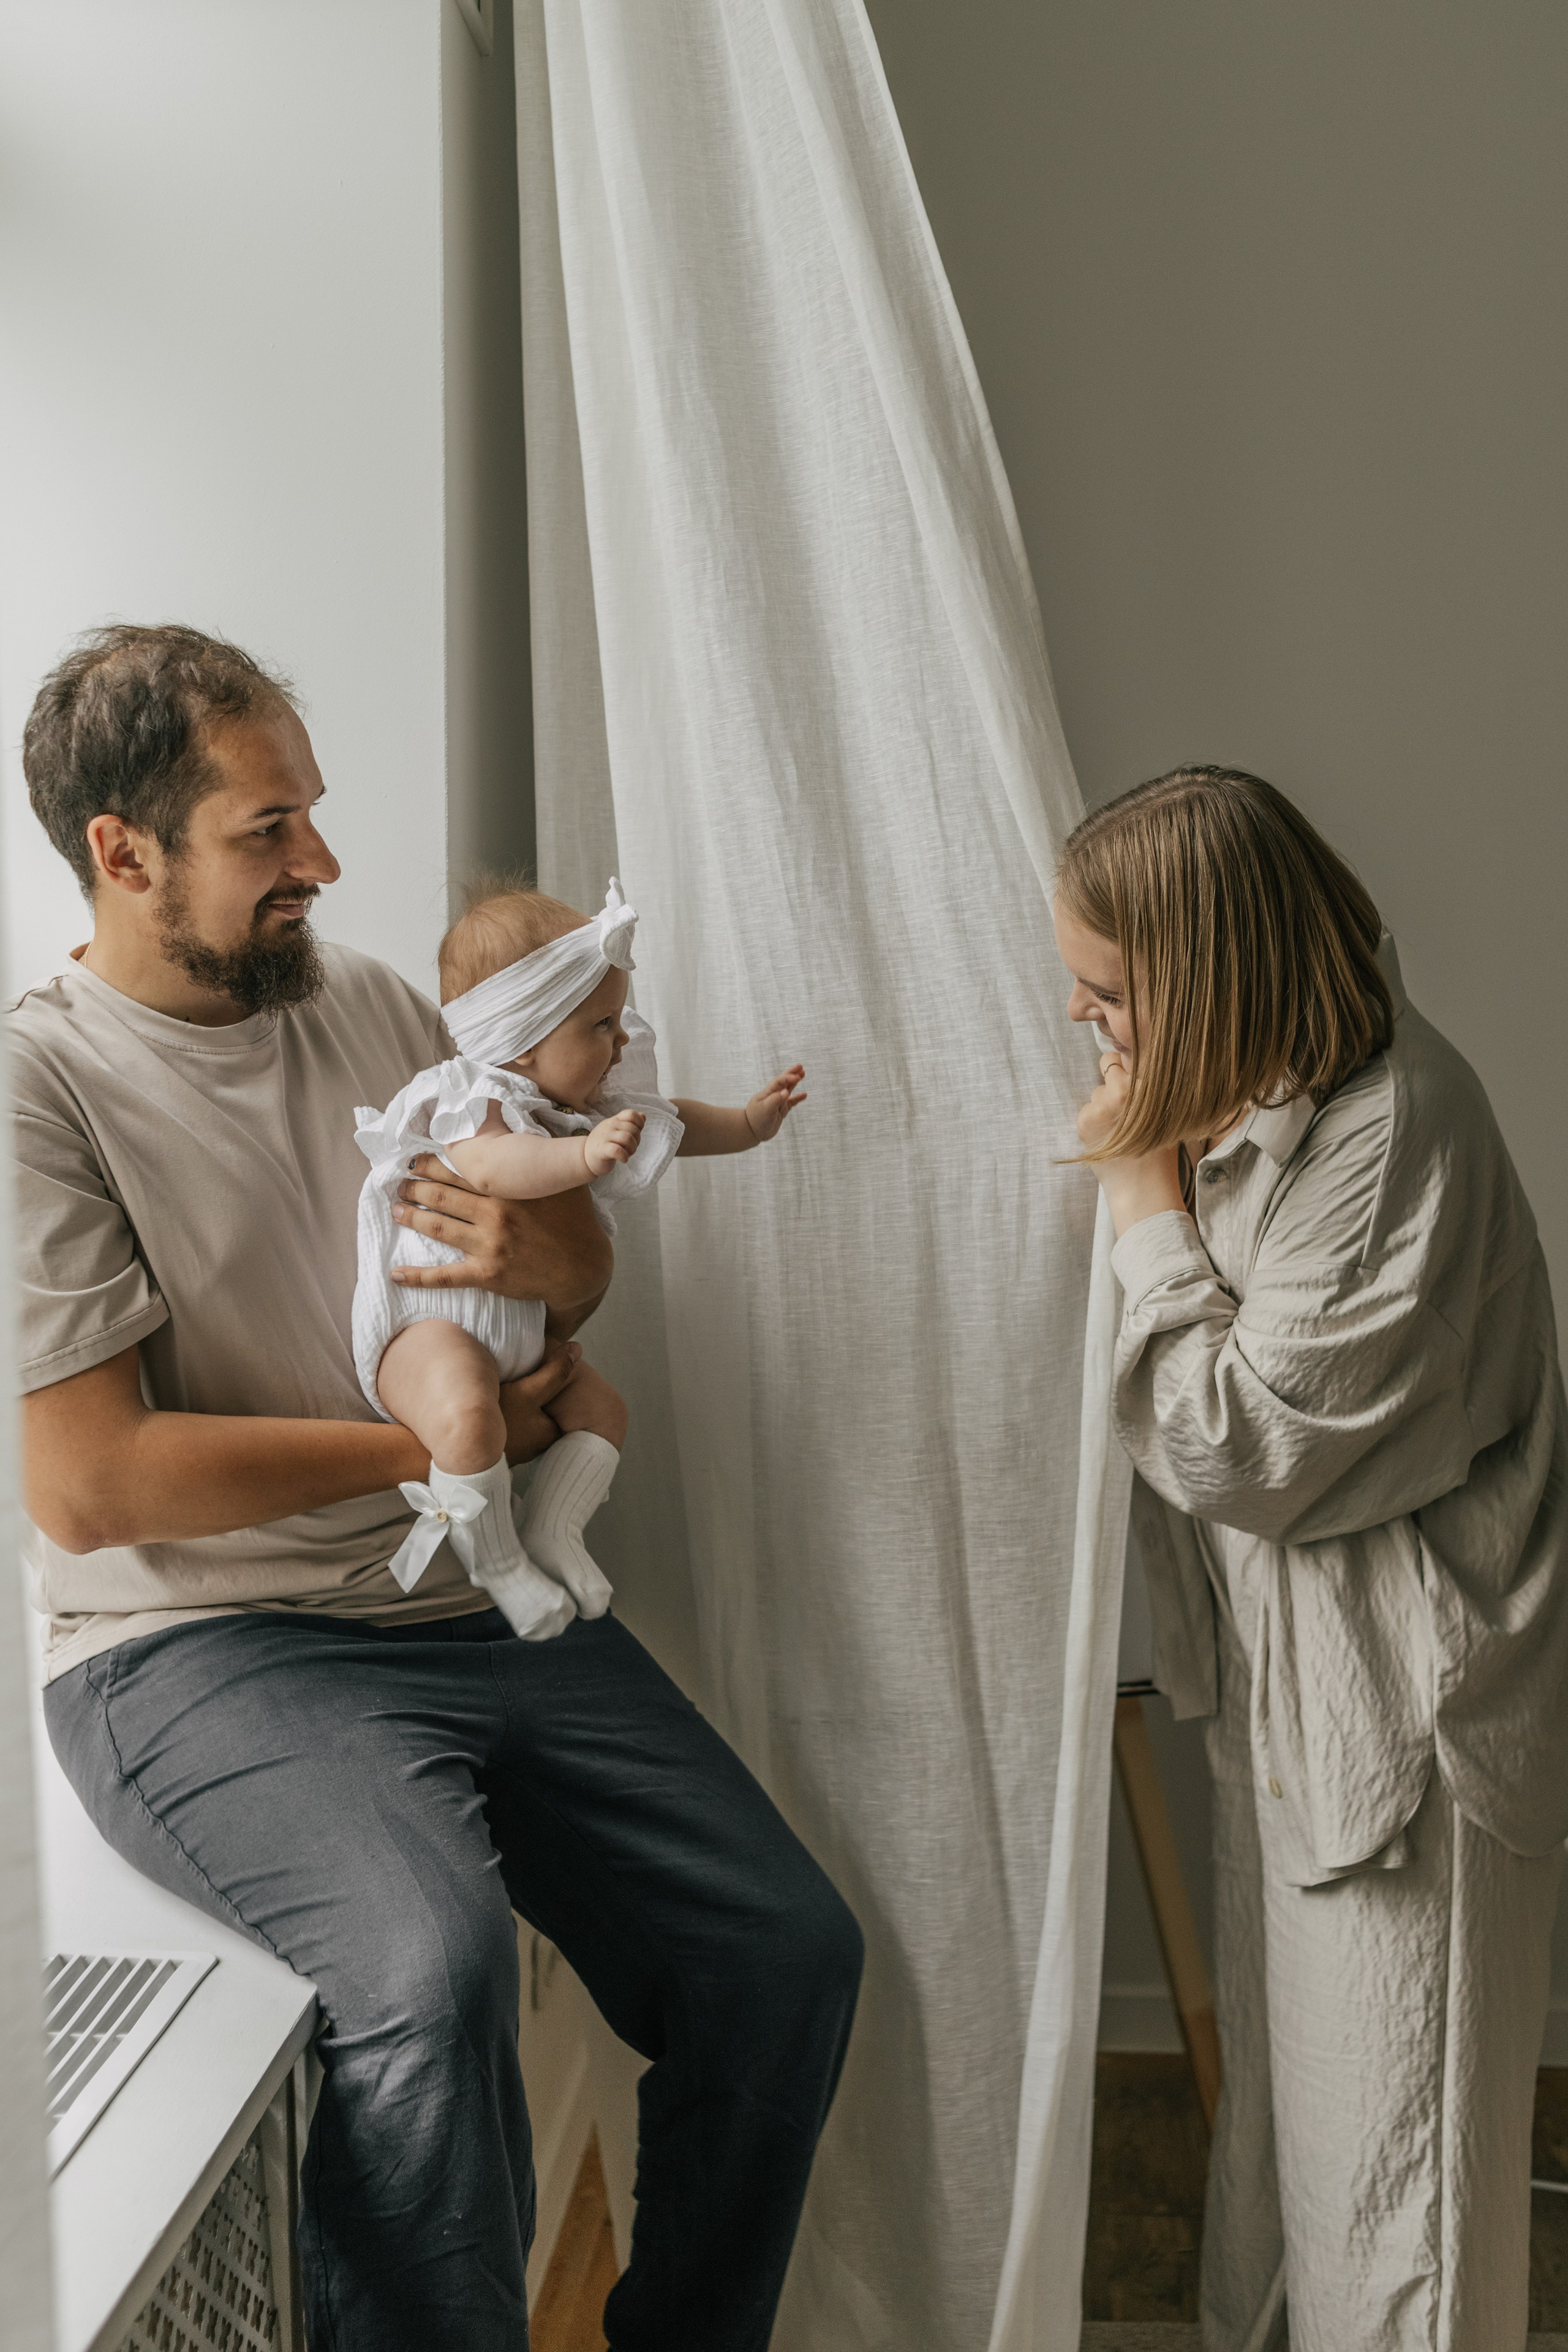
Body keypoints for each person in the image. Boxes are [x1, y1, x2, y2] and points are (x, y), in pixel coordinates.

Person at [13, 622, 862, 2352]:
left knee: (781, 1952)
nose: (322, 862)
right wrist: (441, 1448)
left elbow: (569, 1273)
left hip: (459, 1587)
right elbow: (93, 1487)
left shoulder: (371, 1006)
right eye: (268, 830)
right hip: (202, 1648)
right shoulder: (41, 1089)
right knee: (429, 1969)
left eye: (312, 813)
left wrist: (550, 1278)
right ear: (124, 851)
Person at [1054, 766, 1568, 2352]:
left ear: (1209, 978)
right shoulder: (1262, 1101)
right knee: (1304, 2176)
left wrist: (1135, 1194)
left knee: (1400, 2216)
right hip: (1311, 1712)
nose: (1084, 1025)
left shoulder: (1393, 1133)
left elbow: (1239, 1448)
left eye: (1108, 994)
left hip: (1411, 1732)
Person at [352, 873, 805, 1634]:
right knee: (467, 1420)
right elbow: (495, 1168)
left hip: (517, 1333)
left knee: (602, 1412)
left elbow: (672, 1122)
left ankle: (554, 1530)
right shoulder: (471, 1097)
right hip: (428, 1328)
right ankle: (495, 1563)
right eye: (601, 1024)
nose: (621, 1041)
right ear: (525, 1041)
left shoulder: (574, 1108)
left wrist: (747, 1124)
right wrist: (582, 1157)